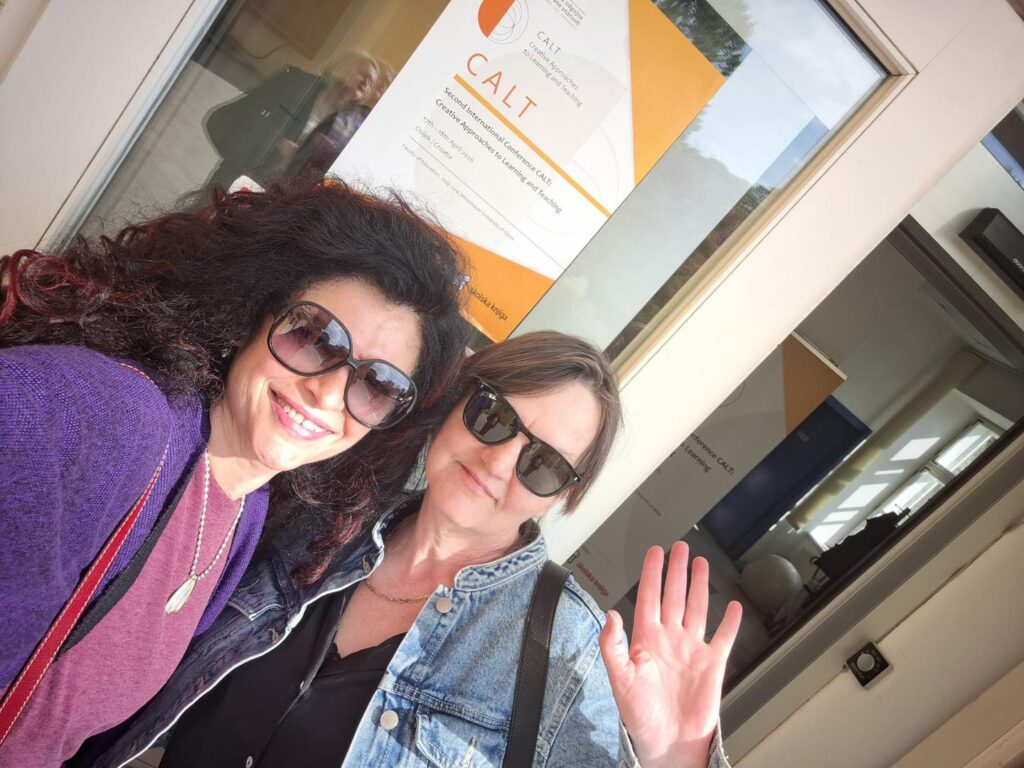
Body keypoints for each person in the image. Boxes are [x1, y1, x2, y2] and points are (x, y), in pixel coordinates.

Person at [96, 332, 742, 768]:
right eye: (494, 417)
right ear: (457, 403)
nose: (498, 462)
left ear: (560, 497)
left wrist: (677, 759)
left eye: (543, 465)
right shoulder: (320, 518)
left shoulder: (568, 648)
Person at [0, 181, 469, 765]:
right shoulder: (107, 416)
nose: (328, 393)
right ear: (251, 310)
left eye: (377, 384)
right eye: (314, 336)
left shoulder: (245, 511)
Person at [204, 51, 393, 190]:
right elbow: (242, 118)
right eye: (363, 75)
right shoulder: (296, 83)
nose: (367, 84)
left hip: (275, 200)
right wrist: (277, 143)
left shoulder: (347, 126)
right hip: (236, 179)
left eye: (371, 82)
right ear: (343, 68)